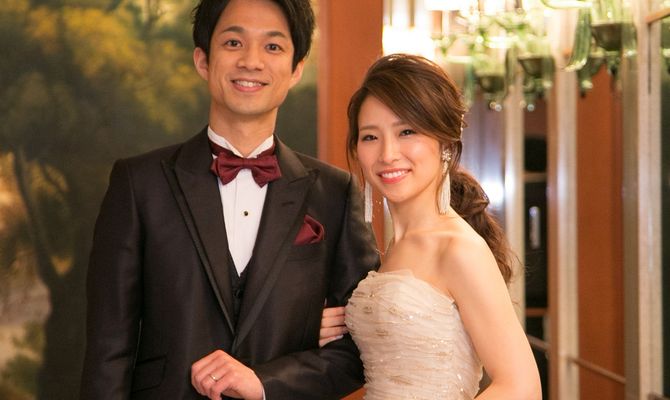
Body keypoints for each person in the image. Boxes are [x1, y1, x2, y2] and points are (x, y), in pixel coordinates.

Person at [80, 0, 379, 399]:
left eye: (273, 46)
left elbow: (360, 350)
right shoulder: (139, 183)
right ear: (203, 60)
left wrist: (265, 383)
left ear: (296, 69)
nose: (251, 61)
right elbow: (108, 352)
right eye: (234, 42)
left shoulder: (335, 192)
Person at [319, 54, 542, 399]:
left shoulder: (458, 248)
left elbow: (521, 387)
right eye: (370, 137)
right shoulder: (395, 245)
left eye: (407, 132)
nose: (388, 154)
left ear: (446, 145)